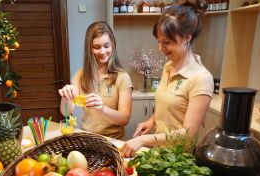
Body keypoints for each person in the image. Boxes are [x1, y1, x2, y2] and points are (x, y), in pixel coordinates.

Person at [120, 0, 214, 157]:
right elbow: (166, 108)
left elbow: (187, 135)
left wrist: (144, 140)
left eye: (167, 42)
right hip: (159, 154)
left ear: (187, 37)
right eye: (158, 41)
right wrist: (152, 121)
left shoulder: (201, 78)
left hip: (178, 161)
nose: (160, 48)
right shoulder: (168, 67)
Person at [58, 21, 133, 140]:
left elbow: (125, 119)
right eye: (97, 47)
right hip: (88, 139)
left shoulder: (122, 77)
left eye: (106, 46)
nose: (103, 52)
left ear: (112, 44)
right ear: (89, 49)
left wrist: (102, 108)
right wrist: (66, 96)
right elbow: (66, 112)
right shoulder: (80, 75)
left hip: (114, 141)